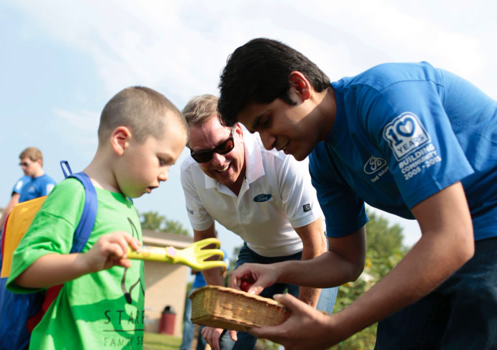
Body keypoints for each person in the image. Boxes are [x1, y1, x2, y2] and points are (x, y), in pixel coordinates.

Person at [217, 38, 497, 349]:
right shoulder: (325, 161)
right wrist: (276, 270)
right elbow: (346, 260)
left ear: (299, 87)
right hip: (467, 234)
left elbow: (451, 239)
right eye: (257, 133)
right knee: (399, 329)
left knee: (479, 307)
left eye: (266, 122)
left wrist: (335, 327)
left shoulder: (386, 100)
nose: (267, 143)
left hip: (483, 228)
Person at [5, 86, 188, 350]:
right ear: (121, 140)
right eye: (162, 160)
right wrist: (85, 262)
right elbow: (24, 270)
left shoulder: (127, 205)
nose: (165, 175)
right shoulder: (74, 193)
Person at [180, 94, 338, 350]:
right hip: (256, 254)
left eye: (224, 146)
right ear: (191, 154)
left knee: (306, 339)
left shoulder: (281, 160)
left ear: (239, 131)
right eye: (204, 155)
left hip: (308, 254)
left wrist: (303, 318)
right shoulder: (190, 173)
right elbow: (205, 245)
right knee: (225, 341)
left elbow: (315, 242)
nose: (218, 161)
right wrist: (219, 310)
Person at [0, 147, 55, 254]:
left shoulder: (47, 183)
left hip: (30, 236)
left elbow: (47, 212)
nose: (23, 168)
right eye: (21, 165)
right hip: (18, 233)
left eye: (26, 164)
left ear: (38, 162)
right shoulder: (26, 183)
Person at [180, 249, 230, 350]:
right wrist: (204, 262)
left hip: (211, 290)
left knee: (207, 322)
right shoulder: (200, 252)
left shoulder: (223, 253)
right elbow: (193, 271)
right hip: (196, 289)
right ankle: (185, 348)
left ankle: (202, 348)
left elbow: (224, 272)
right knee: (189, 320)